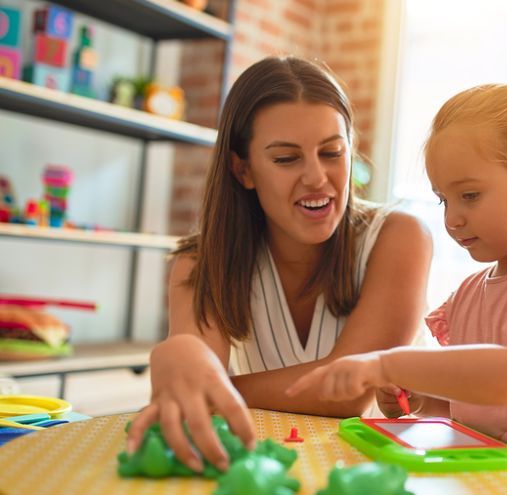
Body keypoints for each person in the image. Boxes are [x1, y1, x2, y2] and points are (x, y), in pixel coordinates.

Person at [287, 84, 507, 494]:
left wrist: (386, 364)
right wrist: (418, 399)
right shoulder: (469, 294)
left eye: (470, 195)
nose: (453, 219)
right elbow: (469, 407)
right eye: (444, 200)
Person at [125, 56, 432, 474]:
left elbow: (347, 395)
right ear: (243, 169)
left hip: (375, 472)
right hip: (270, 466)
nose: (317, 178)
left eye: (332, 152)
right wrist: (179, 360)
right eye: (287, 159)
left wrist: (220, 389)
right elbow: (193, 374)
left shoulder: (400, 237)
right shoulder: (199, 263)